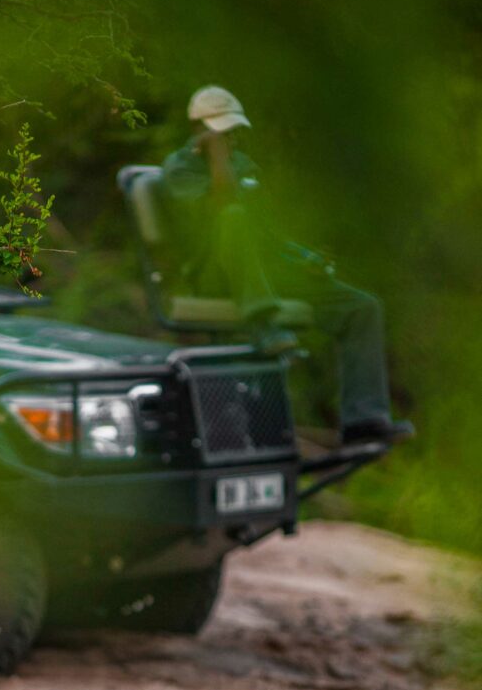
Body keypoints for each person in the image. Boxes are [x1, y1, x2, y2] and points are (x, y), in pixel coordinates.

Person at [161, 85, 414, 445]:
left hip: (261, 273)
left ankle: (365, 420)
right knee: (232, 216)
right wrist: (216, 158)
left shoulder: (245, 167)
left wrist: (303, 259)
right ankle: (263, 323)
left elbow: (268, 236)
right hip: (213, 273)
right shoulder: (179, 170)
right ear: (197, 130)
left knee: (362, 308)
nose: (228, 139)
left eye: (232, 132)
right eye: (220, 132)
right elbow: (219, 214)